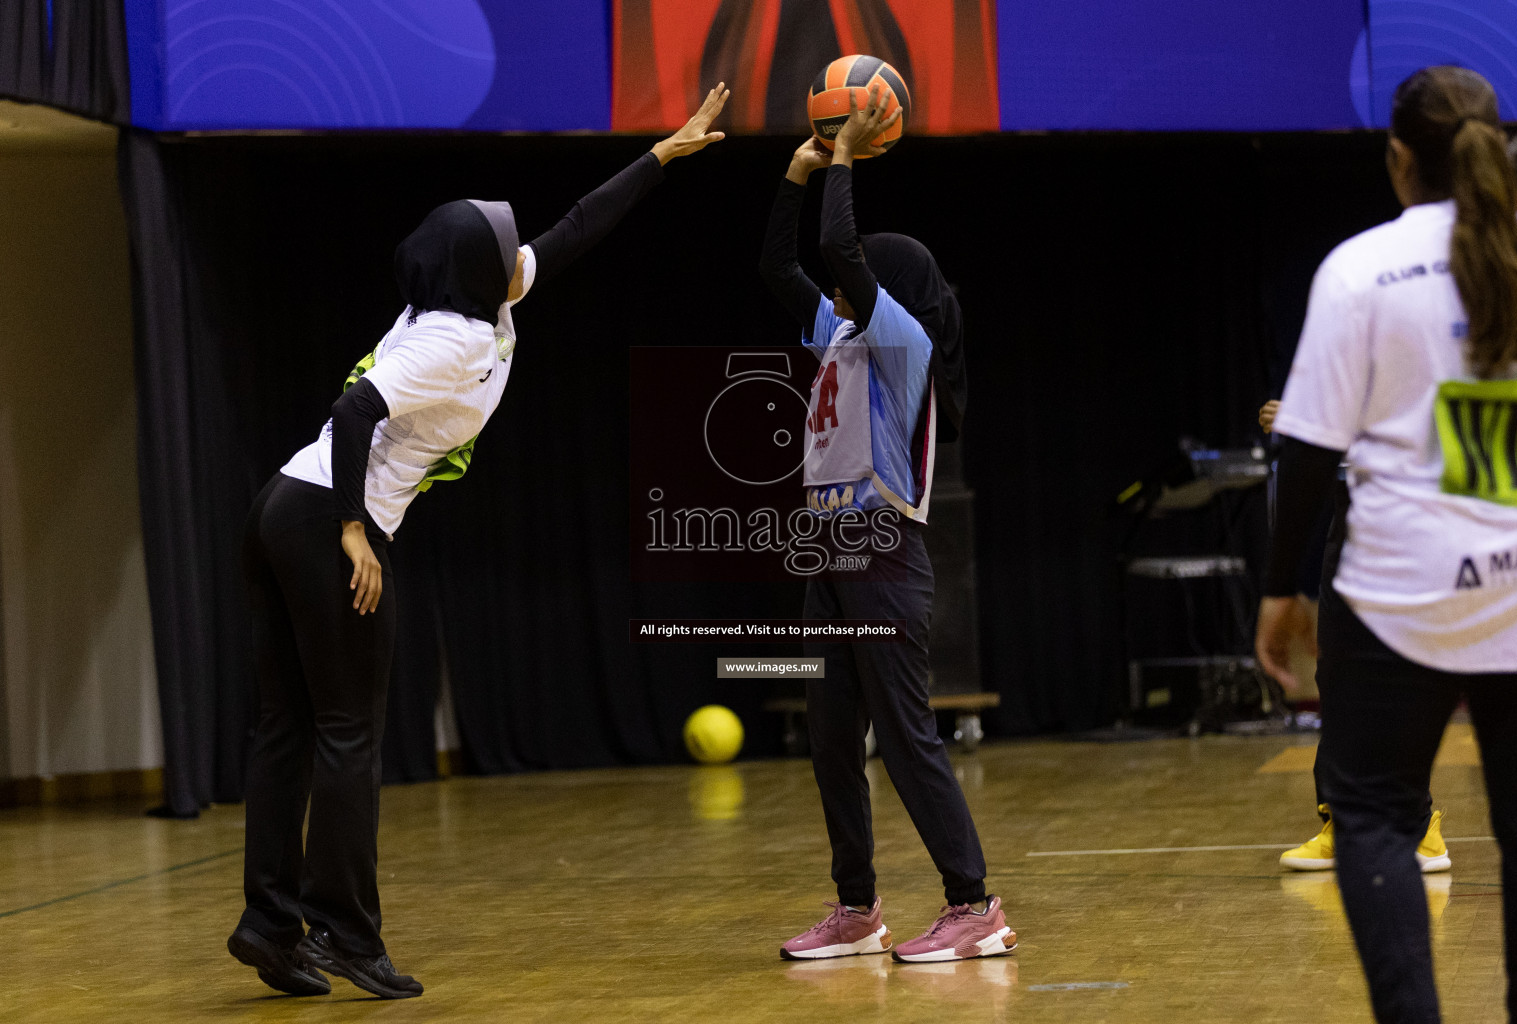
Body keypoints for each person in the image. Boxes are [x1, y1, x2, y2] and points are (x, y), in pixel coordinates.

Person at [225, 86, 731, 999]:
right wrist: (353, 530)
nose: (518, 251)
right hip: (321, 520)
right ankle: (345, 934)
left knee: (288, 729)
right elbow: (351, 411)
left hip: (279, 506)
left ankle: (271, 925)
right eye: (503, 246)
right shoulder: (451, 341)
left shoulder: (478, 304)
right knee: (348, 735)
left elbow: (575, 229)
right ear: (475, 271)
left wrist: (664, 154)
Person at [1256, 66, 1517, 1023]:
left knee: (1374, 816)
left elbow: (1307, 445)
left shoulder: (1361, 268)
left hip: (1399, 597)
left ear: (1398, 158)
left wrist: (1281, 589)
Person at [759, 89, 1013, 963]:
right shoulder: (842, 336)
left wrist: (839, 159)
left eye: (856, 278)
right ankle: (858, 908)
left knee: (906, 737)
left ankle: (976, 905)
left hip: (881, 550)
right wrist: (795, 177)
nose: (836, 287)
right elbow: (778, 270)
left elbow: (837, 247)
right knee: (831, 736)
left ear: (889, 287)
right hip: (827, 552)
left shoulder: (905, 341)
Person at [1258, 400, 1450, 875]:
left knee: (1406, 678)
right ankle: (1339, 821)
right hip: (1354, 508)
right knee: (1338, 675)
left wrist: (1312, 421)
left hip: (1418, 510)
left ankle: (1417, 823)